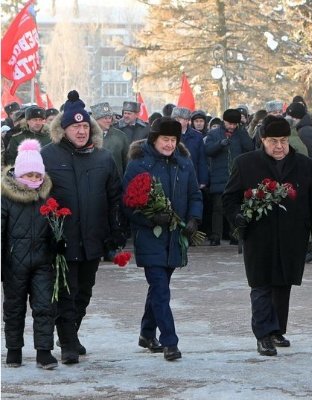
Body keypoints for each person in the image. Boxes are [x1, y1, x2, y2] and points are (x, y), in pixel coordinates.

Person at [222, 116, 312, 356]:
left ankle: (277, 329)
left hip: (293, 234)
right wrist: (238, 217)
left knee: (283, 283)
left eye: (283, 140)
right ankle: (263, 335)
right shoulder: (245, 163)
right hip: (259, 235)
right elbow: (229, 198)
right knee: (261, 285)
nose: (279, 146)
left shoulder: (304, 164)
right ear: (262, 140)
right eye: (273, 141)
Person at [41, 91, 124, 363]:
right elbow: (36, 197)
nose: (81, 131)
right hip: (61, 239)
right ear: (64, 129)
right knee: (66, 292)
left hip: (92, 237)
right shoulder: (47, 156)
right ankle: (67, 344)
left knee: (84, 292)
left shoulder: (103, 158)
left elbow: (114, 198)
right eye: (75, 126)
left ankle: (71, 334)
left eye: (85, 126)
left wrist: (115, 233)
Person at [122, 117, 202, 361]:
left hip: (175, 237)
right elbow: (126, 203)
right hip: (150, 237)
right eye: (165, 139)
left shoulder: (184, 163)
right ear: (153, 139)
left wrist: (193, 219)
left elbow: (195, 195)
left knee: (160, 288)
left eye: (173, 140)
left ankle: (147, 334)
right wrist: (151, 219)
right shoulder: (139, 164)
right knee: (160, 289)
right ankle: (170, 342)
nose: (169, 144)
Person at [2, 139, 58, 369]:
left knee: (45, 306)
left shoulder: (47, 195)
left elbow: (56, 224)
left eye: (38, 175)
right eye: (30, 175)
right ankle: (14, 349)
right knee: (14, 307)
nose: (35, 180)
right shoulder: (6, 198)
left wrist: (58, 243)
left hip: (43, 262)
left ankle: (44, 352)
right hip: (14, 262)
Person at [204, 108, 254, 246]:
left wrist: (243, 134)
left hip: (236, 177)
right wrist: (219, 144)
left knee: (234, 207)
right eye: (229, 123)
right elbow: (208, 150)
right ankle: (216, 236)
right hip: (219, 177)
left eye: (234, 124)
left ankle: (234, 234)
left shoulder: (241, 134)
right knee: (218, 208)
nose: (231, 127)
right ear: (224, 121)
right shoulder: (214, 134)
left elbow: (250, 149)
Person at [91, 102, 130, 176]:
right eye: (105, 118)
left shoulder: (121, 136)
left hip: (116, 183)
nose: (109, 121)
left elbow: (127, 163)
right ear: (96, 119)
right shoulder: (87, 136)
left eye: (110, 118)